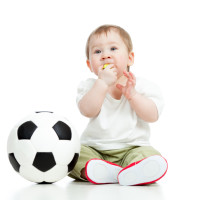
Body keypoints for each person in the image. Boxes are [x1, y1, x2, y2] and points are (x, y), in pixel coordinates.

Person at [68, 24, 168, 186]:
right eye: (97, 51)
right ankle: (105, 171)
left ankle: (132, 170)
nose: (105, 56)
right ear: (89, 65)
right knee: (72, 155)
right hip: (95, 150)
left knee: (149, 155)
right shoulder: (88, 86)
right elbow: (87, 111)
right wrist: (102, 83)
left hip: (132, 148)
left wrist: (133, 96)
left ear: (130, 58)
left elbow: (152, 116)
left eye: (113, 49)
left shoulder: (141, 86)